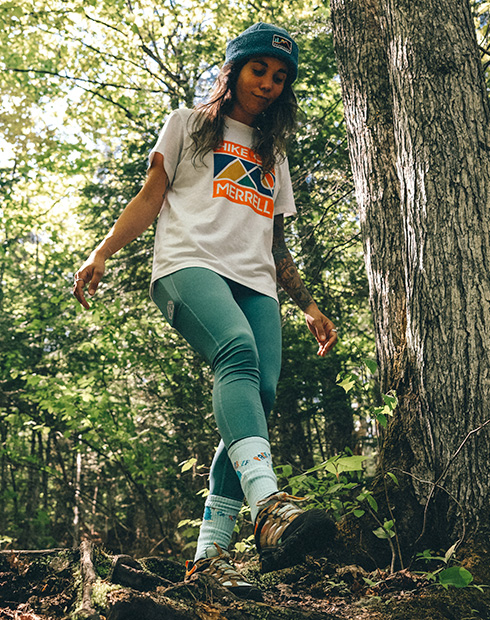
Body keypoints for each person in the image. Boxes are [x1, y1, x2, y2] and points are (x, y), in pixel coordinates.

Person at [73, 22, 337, 601]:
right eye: (258, 69)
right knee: (235, 352)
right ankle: (268, 504)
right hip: (188, 267)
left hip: (258, 283)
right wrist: (101, 252)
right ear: (236, 69)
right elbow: (149, 197)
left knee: (258, 402)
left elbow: (276, 243)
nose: (268, 84)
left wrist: (310, 306)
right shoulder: (188, 125)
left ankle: (210, 557)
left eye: (280, 77)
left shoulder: (273, 153)